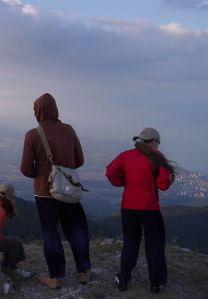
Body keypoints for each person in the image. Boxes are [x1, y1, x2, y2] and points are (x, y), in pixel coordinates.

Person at [20, 93, 91, 289]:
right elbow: (80, 160)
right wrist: (64, 169)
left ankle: (56, 276)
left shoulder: (32, 135)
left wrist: (42, 175)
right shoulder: (69, 130)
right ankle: (84, 271)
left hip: (44, 193)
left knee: (51, 234)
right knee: (76, 230)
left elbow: (25, 169)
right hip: (68, 189)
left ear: (38, 111)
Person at [106, 127, 176, 294]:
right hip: (150, 208)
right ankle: (156, 283)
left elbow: (110, 173)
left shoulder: (126, 155)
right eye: (158, 143)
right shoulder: (157, 158)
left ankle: (123, 280)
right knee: (154, 245)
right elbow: (163, 184)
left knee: (130, 242)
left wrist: (125, 182)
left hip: (128, 207)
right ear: (154, 141)